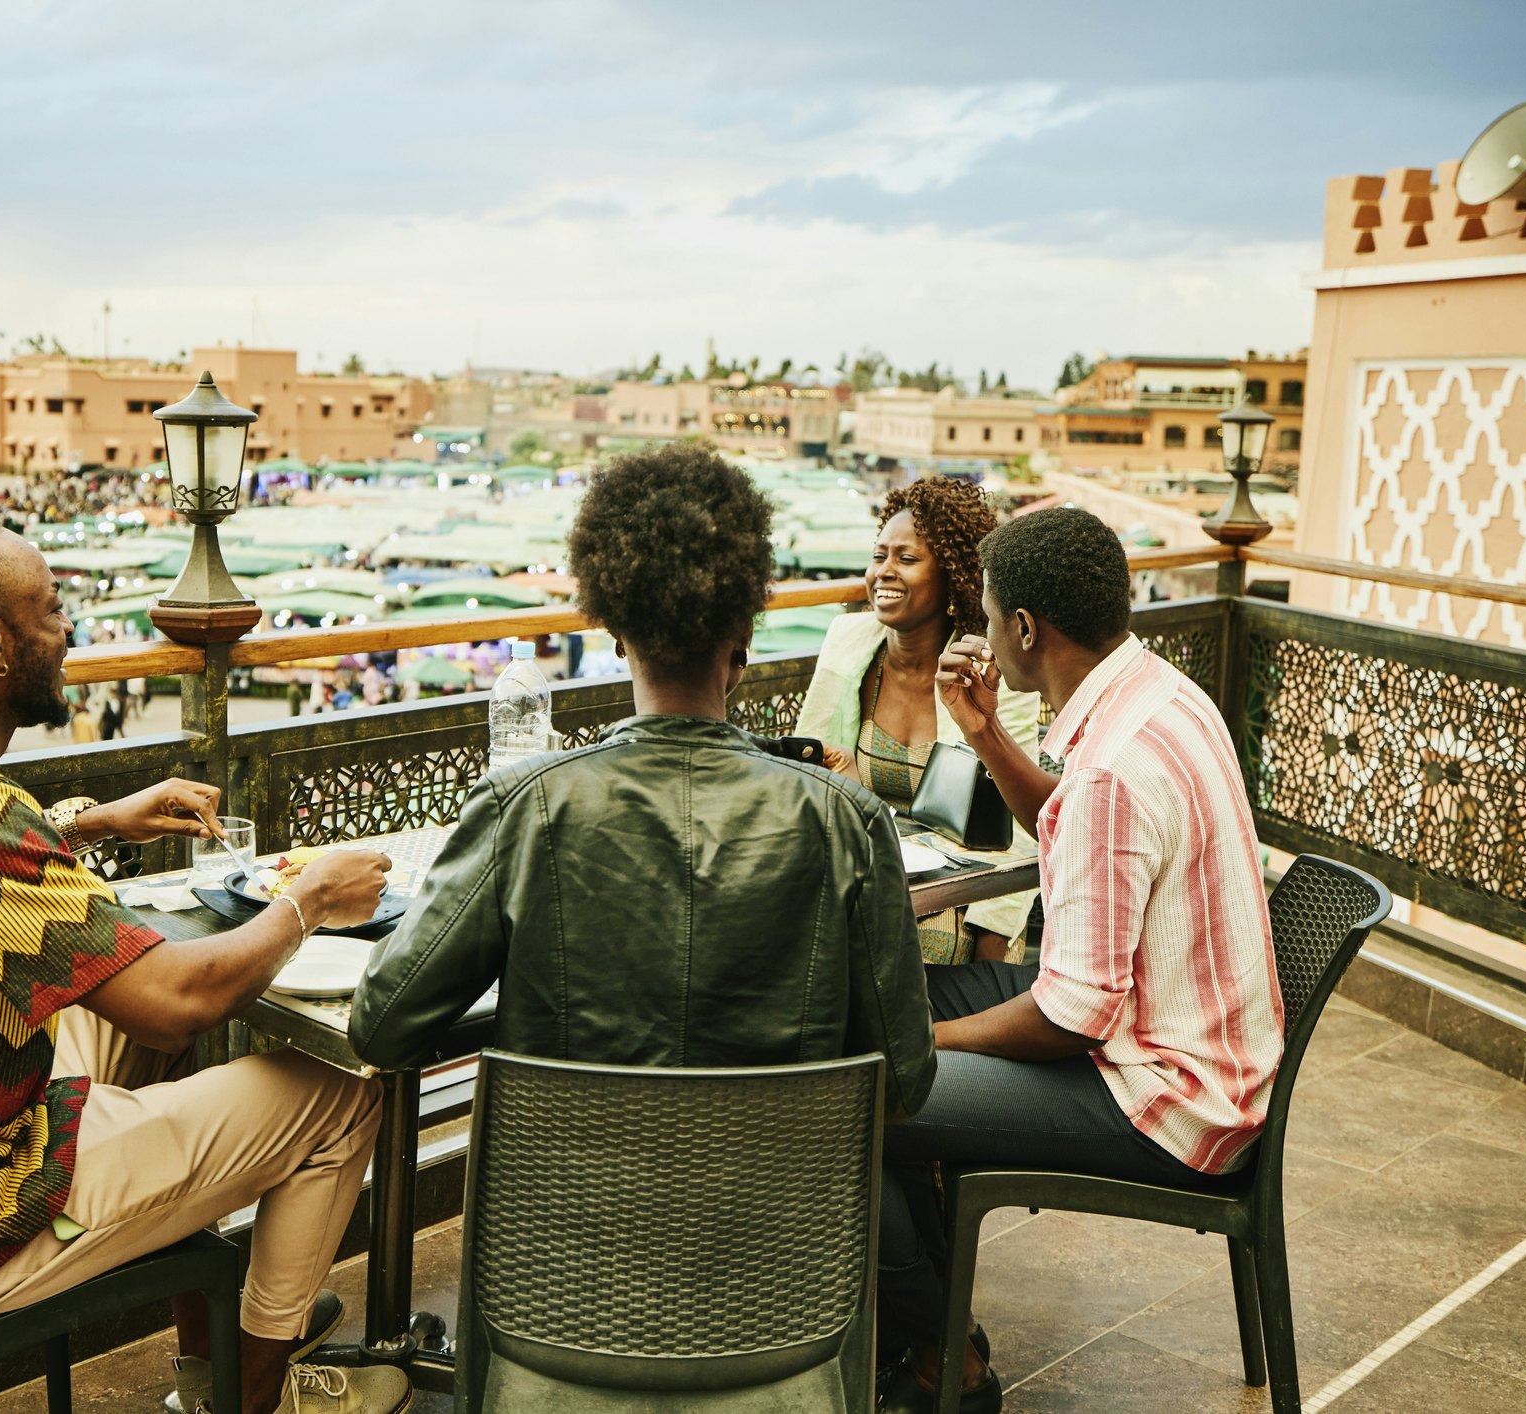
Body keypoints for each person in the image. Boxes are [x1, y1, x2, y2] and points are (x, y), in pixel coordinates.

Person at [0, 519, 409, 1414]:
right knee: (343, 1091)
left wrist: (92, 823)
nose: (70, 632)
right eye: (53, 610)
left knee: (120, 1001)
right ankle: (249, 1396)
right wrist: (312, 902)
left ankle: (208, 1355)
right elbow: (174, 1004)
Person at [352, 440, 937, 1236]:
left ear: (616, 634)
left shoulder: (524, 808)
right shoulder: (848, 821)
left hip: (560, 1265)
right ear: (745, 640)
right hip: (780, 1270)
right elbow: (903, 1084)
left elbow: (384, 1026)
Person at [875, 508, 1282, 1413]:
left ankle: (947, 1361)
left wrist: (932, 1042)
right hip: (1175, 1032)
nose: (979, 632)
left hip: (1162, 1090)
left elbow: (1072, 1015)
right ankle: (932, 1324)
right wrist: (983, 731)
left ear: (1024, 628)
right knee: (893, 1002)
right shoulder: (1155, 693)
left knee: (865, 1085)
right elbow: (1072, 823)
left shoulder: (1113, 766)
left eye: (986, 613)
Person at [795, 477, 1043, 966]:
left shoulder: (988, 671)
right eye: (878, 556)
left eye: (906, 560)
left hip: (960, 902)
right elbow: (804, 778)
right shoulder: (848, 641)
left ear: (952, 575)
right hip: (862, 881)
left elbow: (1019, 828)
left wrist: (992, 950)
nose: (883, 573)